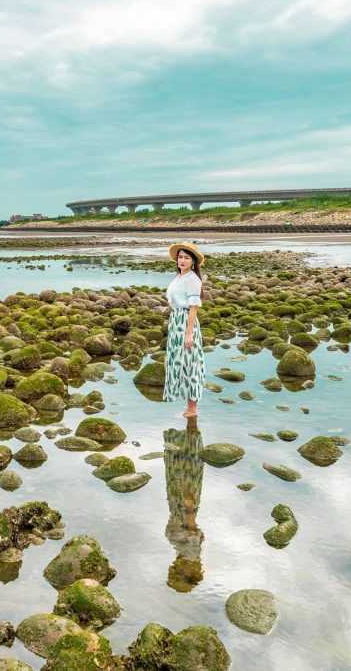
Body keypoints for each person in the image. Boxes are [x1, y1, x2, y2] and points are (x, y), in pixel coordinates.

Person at [163, 241, 206, 417]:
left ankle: (192, 408)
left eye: (186, 258)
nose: (182, 260)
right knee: (177, 362)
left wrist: (189, 333)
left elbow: (194, 307)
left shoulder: (193, 279)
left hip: (186, 322)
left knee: (191, 363)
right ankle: (188, 406)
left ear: (193, 262)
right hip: (176, 321)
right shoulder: (179, 277)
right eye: (180, 257)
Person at [163, 418, 205, 592]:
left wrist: (189, 513)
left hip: (181, 507)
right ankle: (190, 431)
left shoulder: (187, 552)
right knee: (185, 473)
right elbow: (193, 530)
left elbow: (194, 532)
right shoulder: (188, 553)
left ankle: (190, 433)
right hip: (182, 507)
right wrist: (189, 512)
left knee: (186, 472)